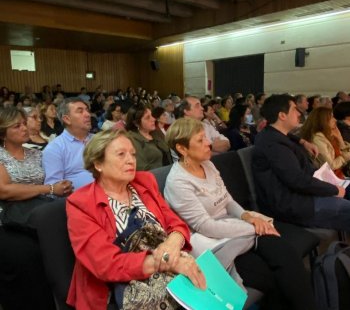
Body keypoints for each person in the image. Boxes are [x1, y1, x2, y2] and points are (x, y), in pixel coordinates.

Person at [164, 118, 315, 310]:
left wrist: (248, 216)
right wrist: (252, 226)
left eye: (206, 138)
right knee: (270, 277)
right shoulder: (178, 182)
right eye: (201, 140)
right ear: (182, 149)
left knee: (287, 256)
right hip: (216, 242)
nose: (209, 143)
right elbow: (206, 226)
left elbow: (227, 199)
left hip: (236, 227)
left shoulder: (207, 164)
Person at [66, 129, 206, 310]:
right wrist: (166, 261)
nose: (131, 160)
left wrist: (171, 245)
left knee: (207, 286)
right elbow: (106, 264)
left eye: (133, 154)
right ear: (98, 163)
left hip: (168, 267)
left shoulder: (144, 182)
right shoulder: (81, 204)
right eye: (121, 154)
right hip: (119, 286)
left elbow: (176, 224)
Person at [0, 107, 72, 310]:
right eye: (17, 126)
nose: (24, 128)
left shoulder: (35, 153)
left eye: (24, 123)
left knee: (64, 244)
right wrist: (49, 188)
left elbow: (53, 179)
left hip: (39, 212)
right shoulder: (0, 155)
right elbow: (4, 191)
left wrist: (63, 185)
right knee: (28, 254)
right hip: (8, 218)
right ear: (3, 131)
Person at [253, 94, 350, 231]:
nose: (299, 113)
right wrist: (333, 189)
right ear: (282, 115)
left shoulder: (274, 134)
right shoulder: (274, 145)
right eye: (294, 109)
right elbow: (297, 180)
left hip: (301, 195)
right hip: (294, 204)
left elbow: (287, 137)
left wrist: (302, 142)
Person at [43, 97, 94, 190]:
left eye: (87, 110)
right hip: (80, 199)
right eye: (80, 111)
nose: (88, 115)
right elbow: (54, 187)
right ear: (67, 119)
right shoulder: (55, 148)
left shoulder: (99, 140)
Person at [300, 107, 350, 179]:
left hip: (339, 176)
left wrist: (340, 139)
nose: (335, 120)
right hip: (330, 180)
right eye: (331, 117)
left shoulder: (328, 134)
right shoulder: (317, 139)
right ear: (323, 121)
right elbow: (331, 165)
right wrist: (345, 157)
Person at [126, 104, 172, 171]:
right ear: (136, 123)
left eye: (152, 116)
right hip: (155, 177)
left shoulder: (155, 133)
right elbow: (142, 168)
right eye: (148, 117)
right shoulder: (132, 140)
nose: (153, 119)